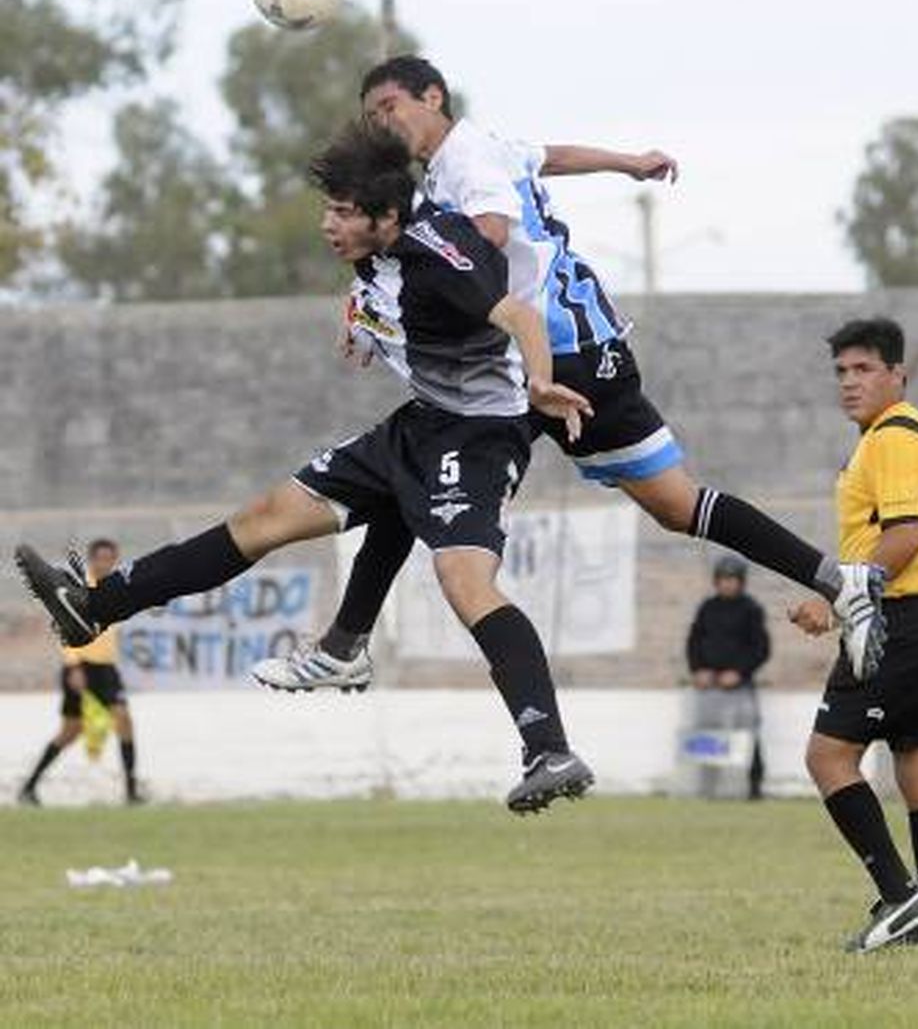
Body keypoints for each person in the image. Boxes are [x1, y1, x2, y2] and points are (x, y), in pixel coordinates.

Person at [15, 125, 595, 815]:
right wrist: (362, 314)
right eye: (329, 208)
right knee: (262, 519)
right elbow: (387, 289)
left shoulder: (443, 264)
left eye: (343, 212)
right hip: (417, 423)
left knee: (465, 581)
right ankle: (92, 608)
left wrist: (539, 381)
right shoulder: (381, 251)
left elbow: (520, 315)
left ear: (386, 217)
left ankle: (549, 747)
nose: (329, 224)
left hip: (476, 436)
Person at [278, 54, 885, 691]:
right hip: (591, 345)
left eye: (389, 108)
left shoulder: (464, 162)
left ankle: (346, 644)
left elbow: (486, 232)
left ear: (433, 98)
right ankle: (840, 581)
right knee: (678, 504)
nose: (382, 124)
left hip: (550, 358)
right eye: (371, 115)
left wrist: (403, 298)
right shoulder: (485, 148)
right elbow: (551, 155)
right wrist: (627, 161)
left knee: (419, 461)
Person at [789, 317, 918, 954]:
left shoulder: (893, 437)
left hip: (910, 617)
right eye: (841, 371)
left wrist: (838, 601)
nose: (849, 382)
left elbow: (905, 535)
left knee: (827, 756)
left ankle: (902, 898)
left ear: (898, 374)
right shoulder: (906, 432)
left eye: (864, 368)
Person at [18, 538, 143, 806]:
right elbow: (64, 627)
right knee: (70, 731)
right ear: (92, 560)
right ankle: (29, 786)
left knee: (124, 721)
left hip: (107, 670)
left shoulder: (116, 588)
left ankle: (131, 791)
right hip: (81, 668)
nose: (106, 564)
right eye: (101, 559)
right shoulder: (79, 587)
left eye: (111, 559)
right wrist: (73, 665)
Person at [686, 555, 769, 799]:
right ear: (716, 581)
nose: (727, 584)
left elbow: (761, 649)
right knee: (708, 735)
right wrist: (697, 670)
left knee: (748, 736)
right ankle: (707, 786)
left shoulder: (752, 610)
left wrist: (739, 672)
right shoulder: (707, 607)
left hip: (740, 687)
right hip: (709, 686)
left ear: (741, 581)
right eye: (723, 579)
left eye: (732, 579)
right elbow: (694, 642)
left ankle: (753, 788)